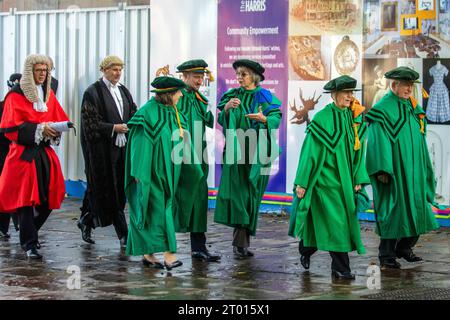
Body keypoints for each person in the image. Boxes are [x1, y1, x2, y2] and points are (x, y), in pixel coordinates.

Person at [288, 75, 370, 280]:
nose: (350, 97)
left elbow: (359, 152)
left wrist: (359, 178)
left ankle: (306, 248)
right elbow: (310, 153)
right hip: (326, 181)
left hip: (347, 182)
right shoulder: (323, 118)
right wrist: (302, 182)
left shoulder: (353, 117)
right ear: (334, 95)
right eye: (345, 93)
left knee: (335, 224)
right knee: (337, 224)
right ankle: (341, 268)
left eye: (351, 93)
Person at [365, 66, 439, 269]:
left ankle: (404, 248)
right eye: (405, 85)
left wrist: (425, 166)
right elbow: (377, 142)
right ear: (394, 85)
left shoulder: (413, 108)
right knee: (394, 211)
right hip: (395, 171)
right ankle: (386, 255)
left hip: (415, 171)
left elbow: (419, 140)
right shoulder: (383, 110)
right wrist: (382, 169)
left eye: (411, 85)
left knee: (419, 209)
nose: (409, 89)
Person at [125, 76, 202, 270]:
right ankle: (169, 254)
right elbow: (139, 145)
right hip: (152, 170)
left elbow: (184, 141)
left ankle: (148, 253)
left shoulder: (174, 112)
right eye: (178, 92)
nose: (180, 96)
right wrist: (139, 173)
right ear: (168, 94)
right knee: (157, 209)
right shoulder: (146, 114)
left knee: (159, 209)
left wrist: (192, 167)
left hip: (172, 170)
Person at [0, 54, 70, 259]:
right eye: (39, 70)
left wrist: (57, 129)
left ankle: (29, 233)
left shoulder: (48, 95)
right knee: (25, 200)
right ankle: (30, 244)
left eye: (45, 70)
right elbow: (10, 128)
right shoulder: (15, 95)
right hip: (23, 154)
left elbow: (59, 116)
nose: (43, 74)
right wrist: (40, 129)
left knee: (51, 197)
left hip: (44, 153)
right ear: (30, 72)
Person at [214, 59, 282, 258]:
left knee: (251, 195)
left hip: (257, 153)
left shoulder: (266, 97)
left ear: (254, 76)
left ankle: (242, 241)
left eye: (243, 74)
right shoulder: (233, 96)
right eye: (237, 74)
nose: (239, 78)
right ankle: (240, 243)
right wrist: (226, 108)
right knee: (239, 196)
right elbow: (221, 119)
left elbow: (276, 118)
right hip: (237, 152)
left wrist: (265, 119)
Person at [79, 56, 137, 246]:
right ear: (104, 70)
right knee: (109, 188)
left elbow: (133, 113)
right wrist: (113, 128)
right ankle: (123, 234)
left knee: (115, 188)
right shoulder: (92, 92)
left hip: (122, 149)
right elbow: (90, 124)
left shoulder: (124, 91)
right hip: (102, 151)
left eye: (120, 69)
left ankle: (86, 220)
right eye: (114, 69)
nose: (118, 72)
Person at [175, 59, 220, 262]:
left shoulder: (198, 98)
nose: (200, 80)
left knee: (200, 201)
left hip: (199, 157)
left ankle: (198, 247)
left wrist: (221, 107)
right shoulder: (179, 98)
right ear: (184, 77)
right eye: (195, 76)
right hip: (184, 158)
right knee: (178, 200)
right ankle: (161, 247)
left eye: (201, 76)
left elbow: (210, 121)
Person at [0, 73, 21, 239]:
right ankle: (3, 226)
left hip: (17, 154)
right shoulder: (3, 106)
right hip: (4, 154)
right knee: (5, 191)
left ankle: (19, 222)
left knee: (17, 190)